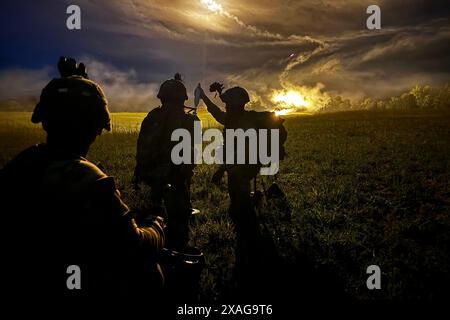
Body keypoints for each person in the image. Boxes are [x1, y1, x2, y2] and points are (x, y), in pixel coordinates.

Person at [0, 57, 165, 300]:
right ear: (96, 127)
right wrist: (157, 226)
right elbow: (137, 246)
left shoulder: (23, 162)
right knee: (152, 271)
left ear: (45, 120)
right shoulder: (88, 179)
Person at [197, 83, 286, 295]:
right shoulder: (234, 118)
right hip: (240, 165)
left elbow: (242, 156)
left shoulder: (244, 124)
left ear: (238, 107)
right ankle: (247, 212)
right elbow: (217, 113)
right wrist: (205, 98)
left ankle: (249, 235)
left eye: (229, 105)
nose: (225, 108)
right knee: (237, 203)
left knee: (240, 209)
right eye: (226, 105)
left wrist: (221, 170)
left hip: (246, 165)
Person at [133, 73, 199, 252]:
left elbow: (141, 147)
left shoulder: (152, 116)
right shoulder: (187, 121)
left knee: (155, 215)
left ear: (161, 98)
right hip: (173, 177)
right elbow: (191, 153)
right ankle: (177, 251)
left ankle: (158, 246)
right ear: (181, 99)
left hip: (150, 176)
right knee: (178, 218)